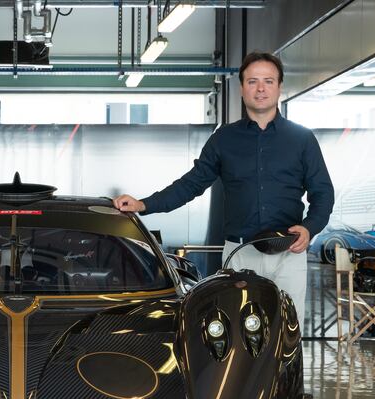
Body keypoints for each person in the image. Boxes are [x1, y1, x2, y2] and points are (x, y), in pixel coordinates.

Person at [113, 52, 334, 317]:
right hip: (240, 253)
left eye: (268, 81)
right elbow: (191, 184)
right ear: (242, 88)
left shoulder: (302, 139)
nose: (261, 88)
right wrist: (144, 204)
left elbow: (323, 193)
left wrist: (309, 229)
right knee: (237, 331)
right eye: (253, 81)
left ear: (279, 87)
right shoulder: (224, 139)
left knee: (286, 331)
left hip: (288, 252)